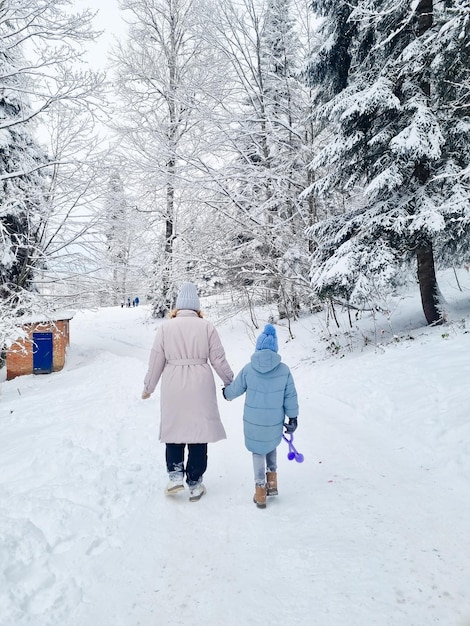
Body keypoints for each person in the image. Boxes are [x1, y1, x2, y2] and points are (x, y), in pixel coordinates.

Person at [142, 282, 233, 502]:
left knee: (174, 431)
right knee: (198, 433)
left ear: (178, 306)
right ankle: (195, 481)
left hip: (173, 383)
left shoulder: (165, 328)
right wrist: (230, 381)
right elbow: (218, 359)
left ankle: (175, 477)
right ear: (197, 307)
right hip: (200, 384)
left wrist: (148, 387)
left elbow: (156, 361)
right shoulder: (207, 327)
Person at [223, 323, 298, 509]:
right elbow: (290, 396)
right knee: (271, 445)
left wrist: (226, 393)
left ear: (258, 347)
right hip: (274, 421)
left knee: (258, 450)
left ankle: (260, 491)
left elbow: (235, 389)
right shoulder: (284, 370)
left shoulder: (249, 369)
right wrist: (293, 418)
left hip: (253, 421)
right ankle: (272, 483)